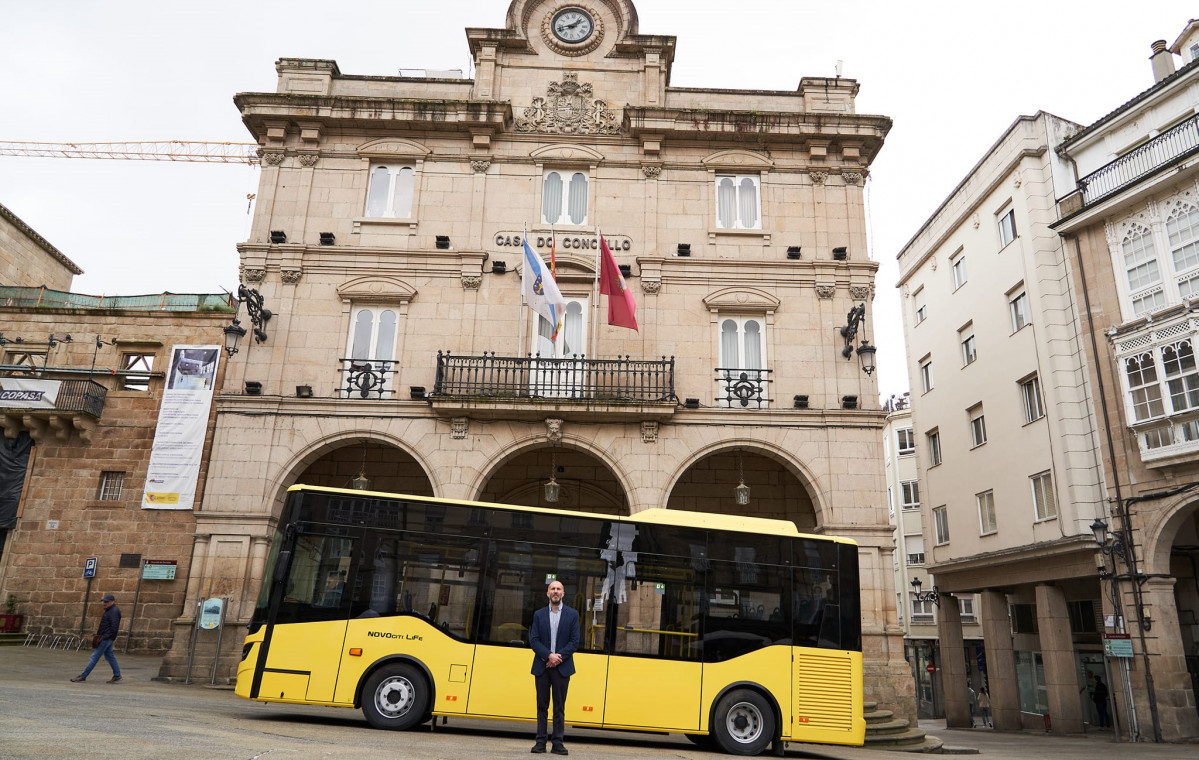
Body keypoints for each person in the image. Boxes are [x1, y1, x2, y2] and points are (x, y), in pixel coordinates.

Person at [529, 579, 579, 756]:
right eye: (552, 589)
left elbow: (574, 642)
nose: (555, 591)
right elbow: (533, 640)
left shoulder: (573, 615)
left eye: (558, 589)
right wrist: (548, 655)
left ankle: (558, 743)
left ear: (563, 593)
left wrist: (558, 658)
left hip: (562, 668)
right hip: (542, 667)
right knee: (542, 707)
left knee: (559, 708)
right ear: (548, 593)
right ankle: (540, 742)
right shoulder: (539, 614)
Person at [71, 594, 122, 683]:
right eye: (104, 601)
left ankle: (83, 676)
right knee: (110, 656)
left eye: (106, 602)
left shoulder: (113, 611)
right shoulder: (111, 610)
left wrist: (104, 637)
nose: (104, 603)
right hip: (107, 638)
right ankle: (117, 675)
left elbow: (114, 627)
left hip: (106, 638)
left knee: (94, 657)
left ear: (112, 602)